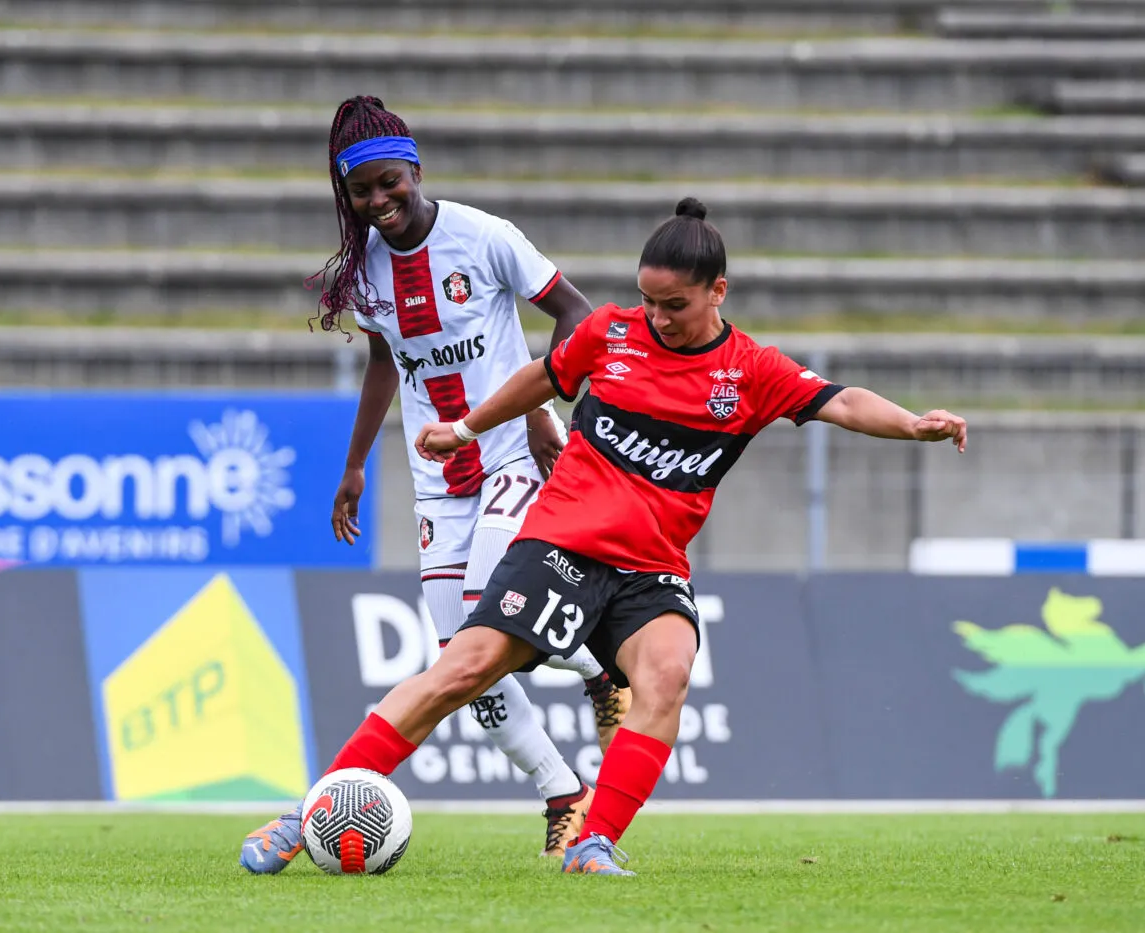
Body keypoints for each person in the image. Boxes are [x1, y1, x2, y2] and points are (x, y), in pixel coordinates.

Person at [305, 196, 968, 876]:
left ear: (718, 291)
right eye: (648, 301)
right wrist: (464, 429)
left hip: (650, 567)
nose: (657, 318)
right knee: (464, 668)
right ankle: (309, 816)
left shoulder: (751, 372)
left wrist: (914, 424)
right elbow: (540, 376)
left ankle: (594, 843)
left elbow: (843, 400)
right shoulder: (610, 334)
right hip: (561, 544)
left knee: (669, 672)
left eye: (674, 305)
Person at [240, 96, 630, 873]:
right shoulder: (367, 274)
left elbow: (580, 318)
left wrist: (543, 408)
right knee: (464, 660)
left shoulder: (484, 238)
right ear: (346, 197)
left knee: (488, 626)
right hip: (436, 483)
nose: (380, 203)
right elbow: (386, 358)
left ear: (415, 171)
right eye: (363, 193)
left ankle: (598, 668)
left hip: (508, 461)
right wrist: (355, 464)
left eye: (391, 184)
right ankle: (562, 789)